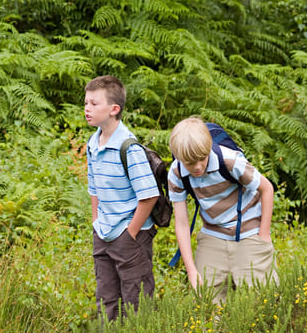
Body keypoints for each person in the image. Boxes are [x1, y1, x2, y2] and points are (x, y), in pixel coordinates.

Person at [166, 117, 276, 304]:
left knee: (261, 301)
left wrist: (263, 237)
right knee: (205, 303)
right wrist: (191, 270)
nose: (198, 166)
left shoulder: (230, 161)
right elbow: (182, 224)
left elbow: (267, 188)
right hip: (213, 234)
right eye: (190, 162)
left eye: (202, 158)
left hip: (249, 231)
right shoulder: (176, 174)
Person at [84, 75, 160, 320]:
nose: (87, 108)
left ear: (114, 109)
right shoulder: (93, 143)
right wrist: (97, 222)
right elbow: (94, 187)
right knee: (106, 301)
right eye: (86, 103)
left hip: (129, 238)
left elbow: (149, 196)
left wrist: (131, 234)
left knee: (136, 303)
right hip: (104, 233)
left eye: (94, 104)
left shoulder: (129, 148)